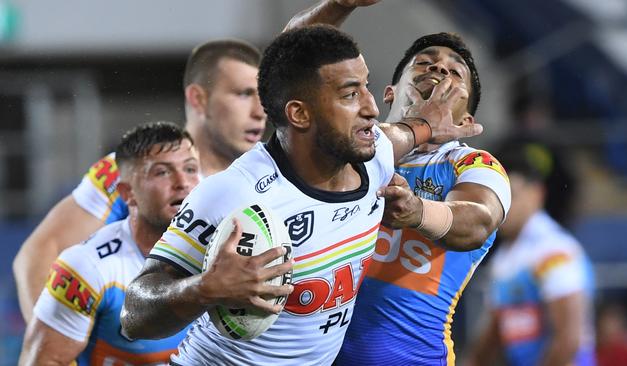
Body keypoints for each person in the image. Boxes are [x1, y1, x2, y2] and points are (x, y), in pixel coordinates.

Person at [120, 25, 480, 365]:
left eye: (367, 87)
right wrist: (206, 288)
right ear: (299, 114)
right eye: (350, 94)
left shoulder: (377, 159)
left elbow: (403, 132)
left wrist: (428, 123)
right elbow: (134, 314)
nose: (371, 106)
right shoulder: (234, 191)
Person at [286, 2, 511, 364]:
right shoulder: (350, 150)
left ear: (467, 117)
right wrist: (338, 5)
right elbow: (288, 61)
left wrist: (417, 211)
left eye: (456, 73)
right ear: (389, 92)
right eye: (424, 61)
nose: (439, 67)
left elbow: (479, 221)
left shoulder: (470, 163)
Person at [12, 39, 266, 322]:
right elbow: (39, 254)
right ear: (198, 99)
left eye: (263, 96)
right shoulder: (130, 171)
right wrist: (52, 350)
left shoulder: (267, 182)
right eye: (244, 94)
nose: (260, 111)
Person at [18, 122, 201, 365]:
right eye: (162, 172)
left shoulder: (225, 251)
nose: (182, 182)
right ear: (127, 193)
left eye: (190, 169)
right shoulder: (86, 267)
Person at [467, 142, 596, 366]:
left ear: (537, 193)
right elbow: (493, 337)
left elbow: (568, 341)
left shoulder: (555, 250)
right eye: (498, 197)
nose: (503, 207)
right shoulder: (505, 257)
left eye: (512, 196)